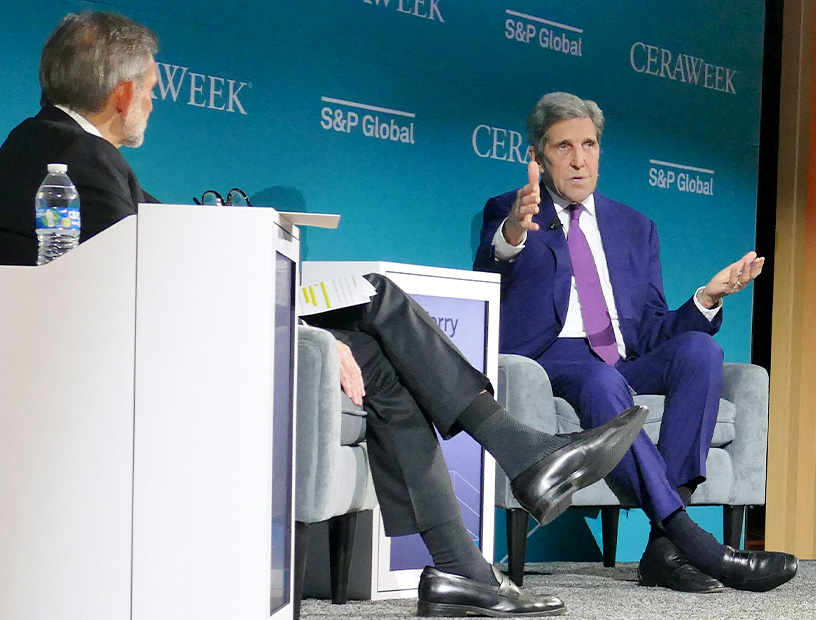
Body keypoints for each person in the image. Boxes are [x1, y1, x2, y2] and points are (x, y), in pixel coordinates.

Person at [0, 14, 651, 617]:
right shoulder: (72, 161)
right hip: (138, 361)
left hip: (169, 338)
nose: (153, 101)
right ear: (119, 95)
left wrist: (302, 327)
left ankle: (462, 567)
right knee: (375, 298)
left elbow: (164, 266)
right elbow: (146, 283)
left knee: (380, 350)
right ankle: (520, 455)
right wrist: (299, 329)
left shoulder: (66, 150)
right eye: (148, 90)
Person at [474, 91, 798, 594]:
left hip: (622, 358)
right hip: (552, 361)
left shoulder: (634, 227)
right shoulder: (511, 211)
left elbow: (648, 331)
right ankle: (697, 544)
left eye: (588, 145)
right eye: (563, 147)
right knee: (602, 380)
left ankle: (662, 549)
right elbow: (492, 264)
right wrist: (515, 229)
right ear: (537, 157)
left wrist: (707, 298)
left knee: (700, 349)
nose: (579, 159)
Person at [0, 12, 158, 266]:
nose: (151, 105)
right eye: (150, 90)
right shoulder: (86, 156)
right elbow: (137, 268)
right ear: (125, 95)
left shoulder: (28, 140)